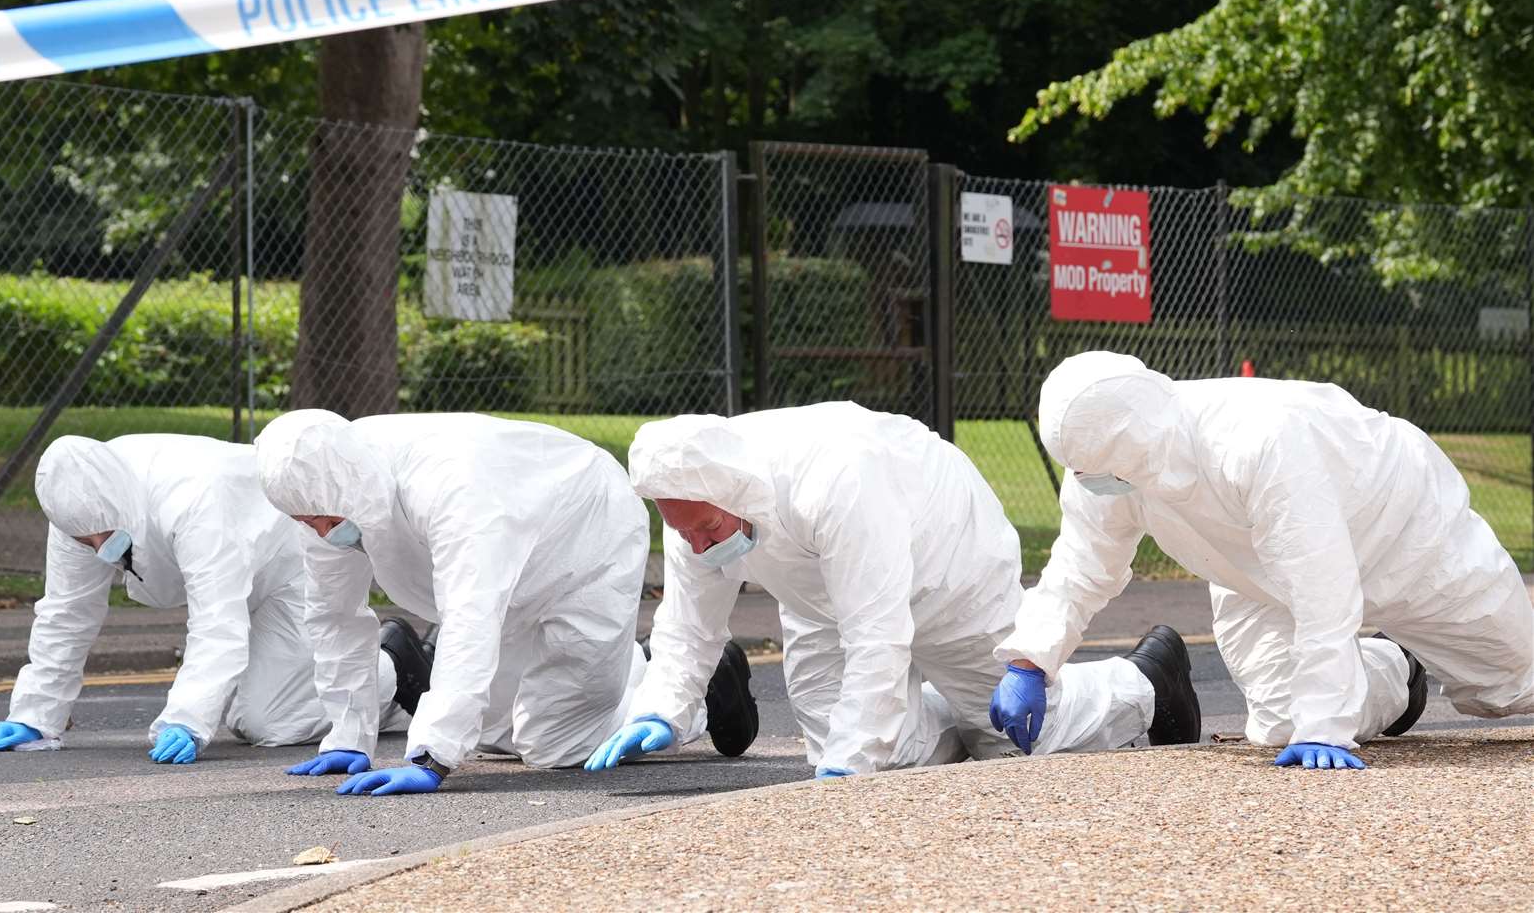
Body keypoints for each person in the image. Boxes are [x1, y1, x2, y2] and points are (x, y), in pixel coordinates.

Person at [584, 403, 1200, 778]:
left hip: (949, 566)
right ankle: (957, 717)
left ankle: (1148, 677)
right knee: (857, 747)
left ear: (736, 493)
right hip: (821, 594)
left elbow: (876, 633)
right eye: (683, 531)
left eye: (707, 529)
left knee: (1020, 740)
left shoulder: (838, 480)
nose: (697, 547)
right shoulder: (697, 497)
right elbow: (691, 625)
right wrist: (660, 707)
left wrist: (855, 756)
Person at [996, 350, 1534, 771]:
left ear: (1135, 442)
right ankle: (1399, 669)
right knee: (1281, 722)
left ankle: (1371, 673)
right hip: (1254, 573)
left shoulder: (1258, 438)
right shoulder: (1108, 464)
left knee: (1512, 687)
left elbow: (1321, 580)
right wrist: (1030, 660)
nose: (1088, 480)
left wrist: (1326, 725)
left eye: (1095, 467)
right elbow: (1081, 566)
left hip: (1409, 535)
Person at [255, 409, 758, 796]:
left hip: (585, 541)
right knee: (497, 733)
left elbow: (471, 614)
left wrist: (429, 760)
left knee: (556, 746)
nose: (322, 532)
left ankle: (698, 694)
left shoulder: (455, 485)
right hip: (507, 569)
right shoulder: (321, 484)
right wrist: (349, 732)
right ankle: (633, 666)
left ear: (347, 486)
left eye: (324, 517)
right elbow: (333, 615)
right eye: (307, 523)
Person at [0, 434, 418, 764]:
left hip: (283, 564)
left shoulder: (194, 499)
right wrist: (36, 713)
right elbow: (67, 611)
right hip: (234, 571)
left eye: (107, 534)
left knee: (263, 723)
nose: (100, 547)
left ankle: (395, 664)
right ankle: (393, 705)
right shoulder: (73, 511)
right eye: (87, 541)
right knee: (257, 714)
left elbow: (217, 621)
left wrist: (187, 720)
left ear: (128, 503)